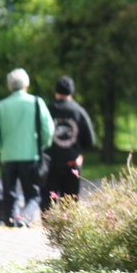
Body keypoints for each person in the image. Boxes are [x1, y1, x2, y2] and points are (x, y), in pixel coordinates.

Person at [0, 68, 54, 227]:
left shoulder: (0, 106)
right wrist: (42, 144)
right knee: (33, 196)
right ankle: (24, 218)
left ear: (9, 86)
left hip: (8, 157)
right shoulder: (37, 102)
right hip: (30, 156)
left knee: (9, 195)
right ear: (27, 84)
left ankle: (11, 224)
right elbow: (48, 130)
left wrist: (0, 147)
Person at [40, 75, 96, 213]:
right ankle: (67, 232)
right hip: (72, 163)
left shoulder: (46, 109)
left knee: (48, 203)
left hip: (50, 163)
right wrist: (79, 154)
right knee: (70, 205)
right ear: (72, 91)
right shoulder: (79, 112)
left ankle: (48, 230)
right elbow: (90, 140)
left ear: (56, 91)